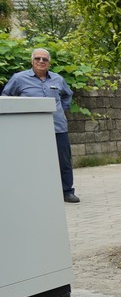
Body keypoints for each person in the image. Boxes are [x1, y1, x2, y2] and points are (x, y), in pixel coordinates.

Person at [2, 48, 78, 203]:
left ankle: (67, 192)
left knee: (64, 161)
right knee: (32, 161)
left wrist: (61, 109)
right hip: (31, 130)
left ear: (49, 63)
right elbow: (5, 97)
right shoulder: (19, 78)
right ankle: (34, 192)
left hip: (58, 127)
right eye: (37, 58)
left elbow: (67, 95)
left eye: (45, 59)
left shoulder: (58, 79)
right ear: (32, 61)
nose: (41, 61)